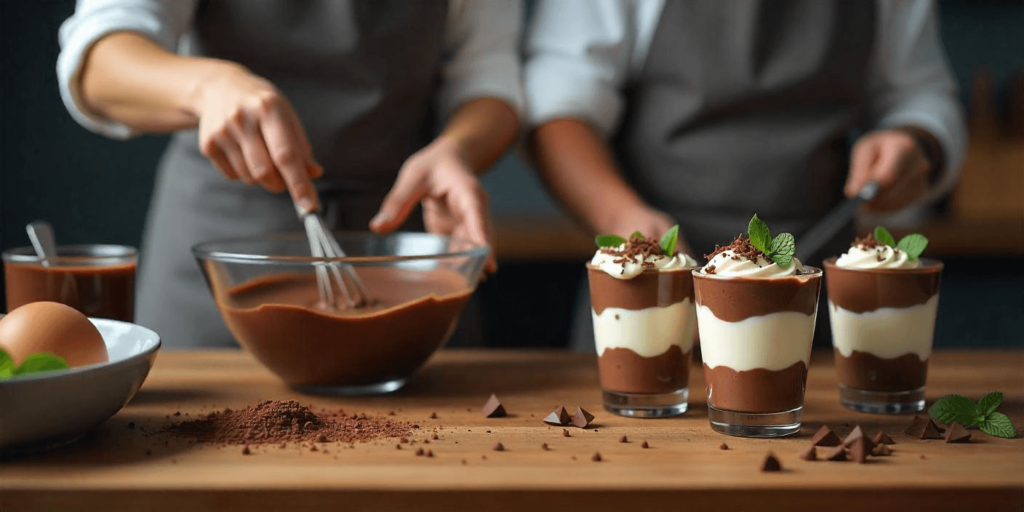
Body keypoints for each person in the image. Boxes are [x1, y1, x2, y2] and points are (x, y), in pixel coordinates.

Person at [57, 0, 523, 347]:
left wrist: (457, 148)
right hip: (215, 271)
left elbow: (489, 77)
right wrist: (208, 86)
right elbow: (99, 59)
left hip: (404, 253)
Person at [524, 0, 966, 350]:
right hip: (650, 285)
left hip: (822, 294)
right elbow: (558, 107)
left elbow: (920, 92)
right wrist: (627, 225)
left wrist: (917, 141)